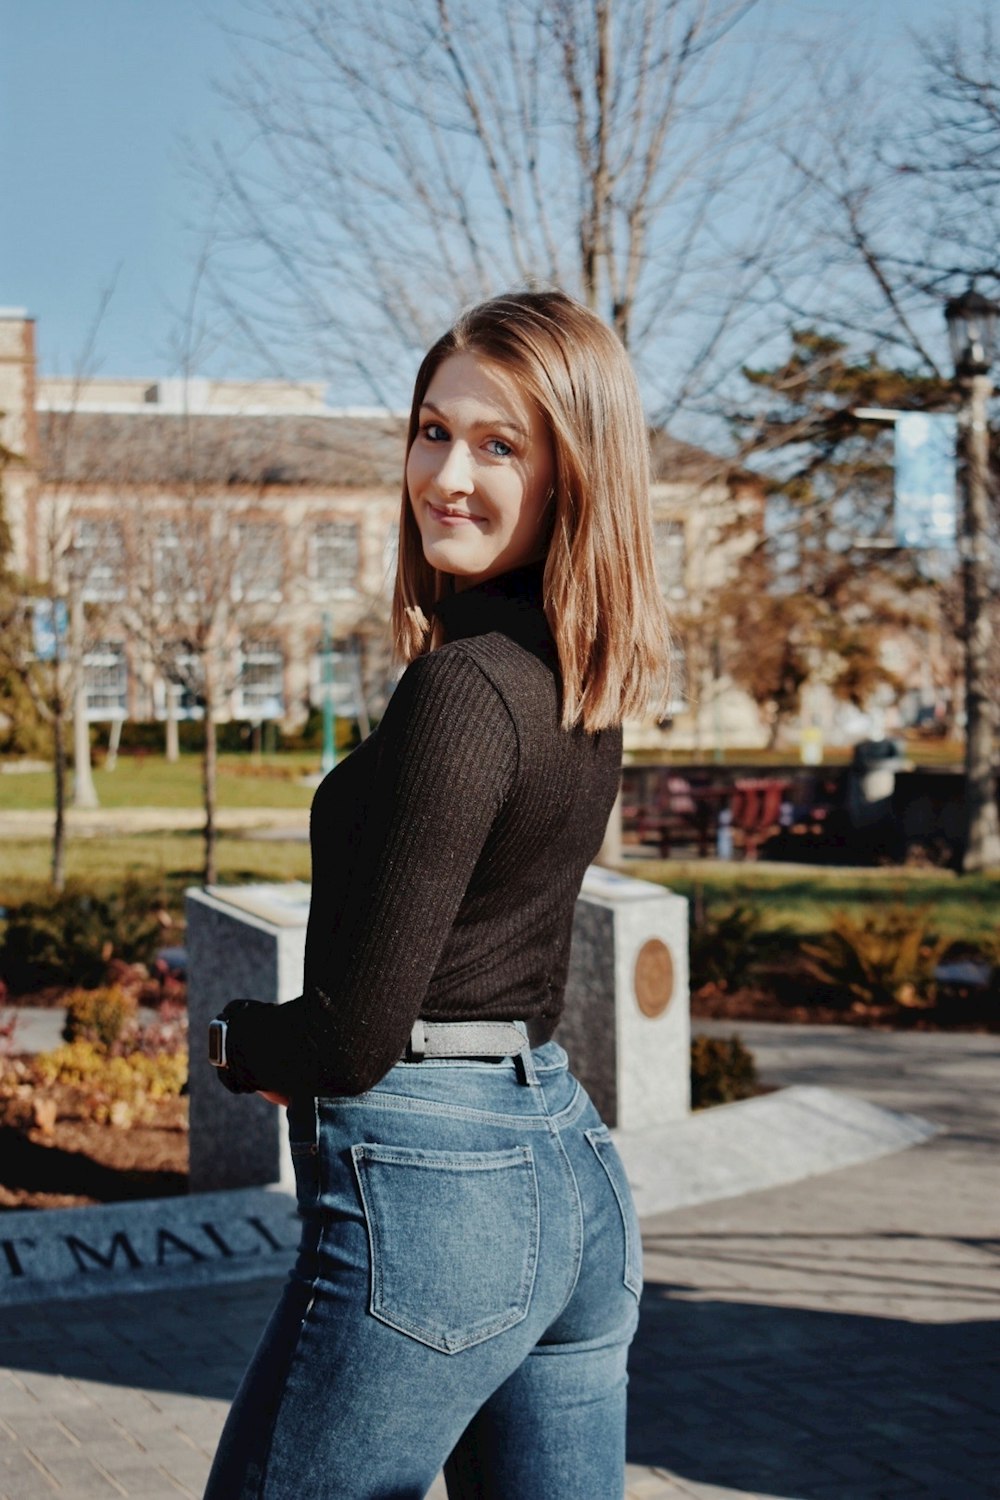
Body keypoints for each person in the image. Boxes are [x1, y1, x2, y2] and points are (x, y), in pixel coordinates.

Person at [203, 288, 672, 1500]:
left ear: (572, 474)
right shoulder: (574, 679)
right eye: (430, 430)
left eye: (498, 445)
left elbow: (351, 1038)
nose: (444, 475)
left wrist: (237, 1041)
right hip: (566, 1168)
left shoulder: (464, 689)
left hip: (436, 1190)